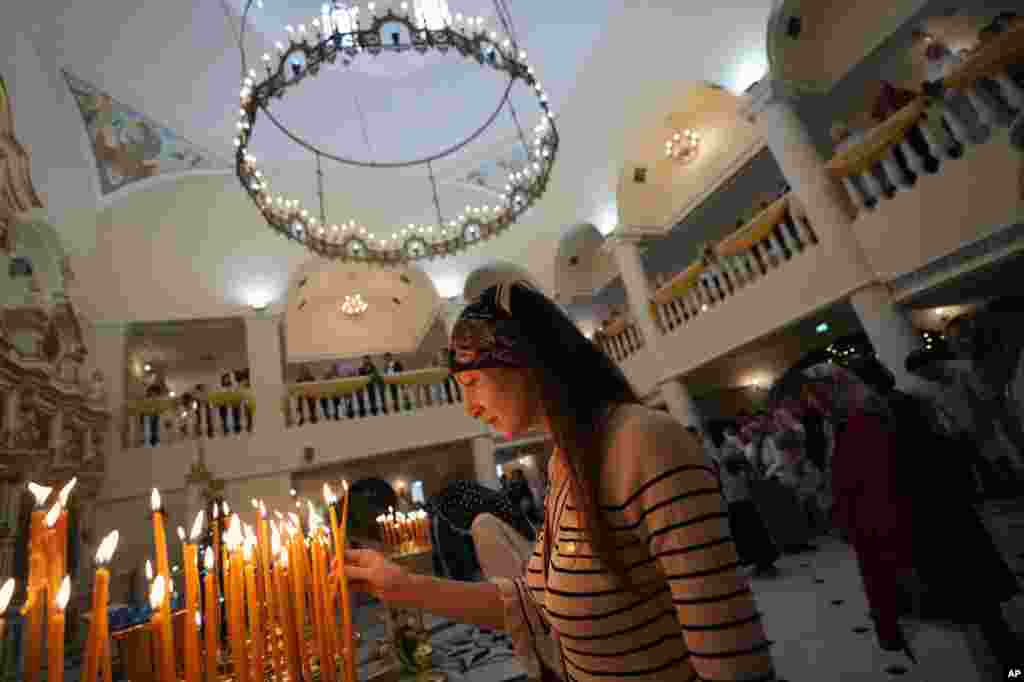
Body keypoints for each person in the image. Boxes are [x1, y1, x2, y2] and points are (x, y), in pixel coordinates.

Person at [341, 281, 776, 682]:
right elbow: (539, 605)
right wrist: (403, 586)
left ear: (526, 358)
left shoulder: (644, 443)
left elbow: (731, 658)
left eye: (473, 383)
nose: (470, 407)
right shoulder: (563, 465)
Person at [798, 365, 913, 651]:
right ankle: (889, 626)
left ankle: (891, 629)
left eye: (817, 394)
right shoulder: (842, 420)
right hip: (862, 513)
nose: (814, 402)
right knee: (877, 576)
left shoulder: (863, 419)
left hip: (877, 512)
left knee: (884, 573)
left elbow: (875, 474)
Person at [708, 421, 780, 577]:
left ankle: (764, 562)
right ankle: (757, 562)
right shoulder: (713, 448)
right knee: (744, 530)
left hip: (738, 494)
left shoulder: (728, 445)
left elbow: (742, 465)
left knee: (750, 528)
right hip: (731, 496)